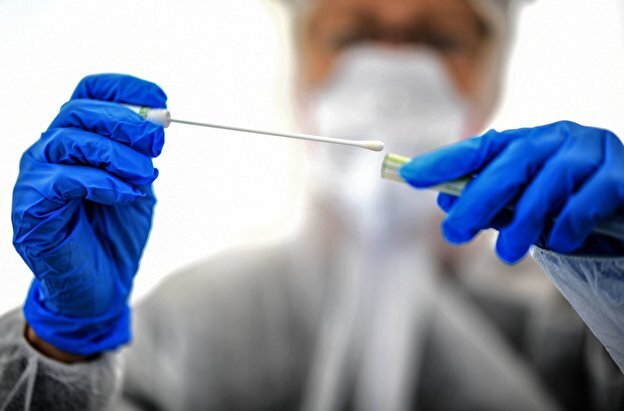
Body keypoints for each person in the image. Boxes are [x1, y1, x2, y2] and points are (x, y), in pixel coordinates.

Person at [1, 0, 623, 410]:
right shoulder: (193, 321)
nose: (393, 66)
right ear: (299, 67)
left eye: (437, 38)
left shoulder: (581, 324)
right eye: (353, 34)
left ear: (492, 75)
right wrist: (64, 345)